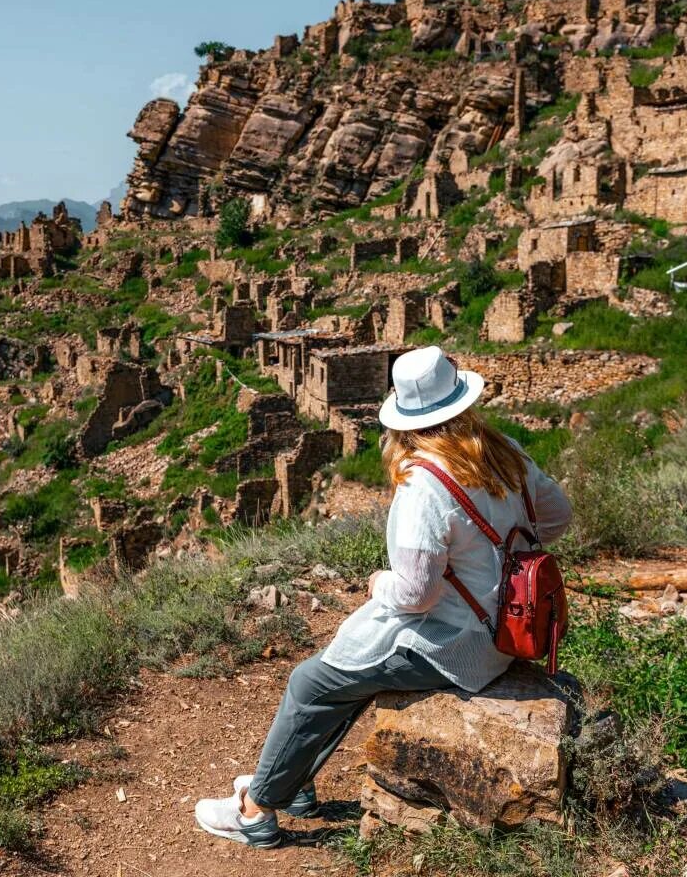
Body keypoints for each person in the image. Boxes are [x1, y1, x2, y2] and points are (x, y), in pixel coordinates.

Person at [193, 345, 573, 848]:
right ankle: (296, 786)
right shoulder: (502, 452)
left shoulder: (425, 484)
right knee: (343, 673)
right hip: (507, 631)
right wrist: (495, 560)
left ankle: (255, 810)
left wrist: (378, 583)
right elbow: (557, 518)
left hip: (458, 648)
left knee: (311, 682)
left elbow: (415, 594)